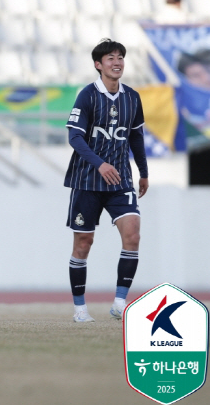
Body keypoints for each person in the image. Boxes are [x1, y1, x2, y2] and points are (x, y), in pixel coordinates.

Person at [64, 38, 148, 322]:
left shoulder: (132, 97)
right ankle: (79, 309)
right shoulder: (87, 95)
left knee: (133, 233)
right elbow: (74, 136)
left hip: (121, 181)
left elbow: (136, 136)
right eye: (110, 58)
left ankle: (120, 303)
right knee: (83, 243)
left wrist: (144, 172)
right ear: (98, 65)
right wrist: (99, 164)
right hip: (87, 180)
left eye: (120, 57)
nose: (117, 62)